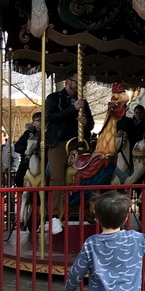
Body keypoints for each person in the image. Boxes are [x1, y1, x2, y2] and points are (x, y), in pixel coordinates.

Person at [45, 71, 94, 234]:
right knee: (57, 176)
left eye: (82, 84)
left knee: (90, 173)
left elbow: (92, 124)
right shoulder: (54, 98)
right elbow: (51, 117)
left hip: (78, 144)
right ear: (68, 82)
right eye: (77, 82)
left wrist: (85, 123)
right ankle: (53, 216)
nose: (80, 86)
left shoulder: (83, 103)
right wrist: (73, 109)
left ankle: (87, 211)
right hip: (59, 143)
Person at [14, 112, 42, 187]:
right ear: (33, 123)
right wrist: (28, 147)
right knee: (20, 179)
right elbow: (17, 147)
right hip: (28, 161)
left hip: (43, 161)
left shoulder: (48, 133)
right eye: (39, 120)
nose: (42, 122)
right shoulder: (28, 133)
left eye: (43, 120)